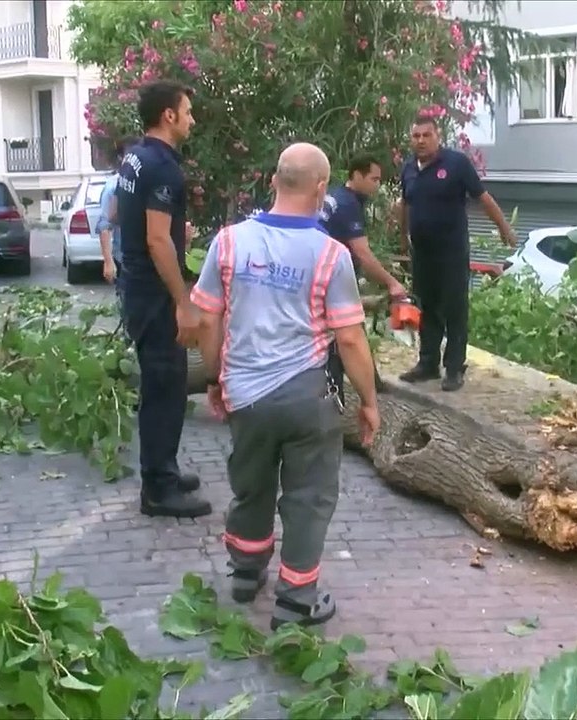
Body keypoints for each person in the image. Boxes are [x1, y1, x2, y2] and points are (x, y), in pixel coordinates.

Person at [191, 142, 381, 630]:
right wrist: (369, 400)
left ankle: (245, 572)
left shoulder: (228, 242)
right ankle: (296, 599)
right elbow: (350, 339)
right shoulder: (331, 254)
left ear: (274, 181)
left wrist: (215, 378)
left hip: (245, 394)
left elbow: (206, 320)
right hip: (306, 397)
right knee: (309, 496)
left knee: (251, 484)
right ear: (321, 189)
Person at [116, 80, 209, 518]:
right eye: (187, 111)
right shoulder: (163, 167)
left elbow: (128, 217)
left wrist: (174, 231)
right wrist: (182, 303)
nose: (192, 119)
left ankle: (163, 470)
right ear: (168, 116)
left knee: (162, 386)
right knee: (165, 389)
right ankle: (158, 489)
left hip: (136, 285)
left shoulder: (135, 157)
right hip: (154, 294)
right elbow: (157, 240)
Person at [395, 116, 516, 392]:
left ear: (437, 136)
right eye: (416, 136)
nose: (421, 141)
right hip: (422, 252)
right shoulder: (409, 169)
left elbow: (483, 197)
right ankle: (428, 364)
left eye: (426, 135)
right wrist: (403, 239)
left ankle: (454, 368)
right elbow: (406, 205)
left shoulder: (456, 164)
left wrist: (504, 228)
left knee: (454, 309)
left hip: (451, 251)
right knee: (427, 307)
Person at [318, 154, 407, 390]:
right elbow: (362, 252)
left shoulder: (336, 196)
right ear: (357, 175)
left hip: (320, 272)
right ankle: (367, 387)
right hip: (332, 277)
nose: (377, 185)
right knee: (350, 331)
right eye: (373, 179)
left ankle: (371, 382)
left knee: (344, 332)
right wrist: (392, 283)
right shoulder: (348, 204)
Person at [94, 137, 138, 301]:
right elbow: (104, 225)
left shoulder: (146, 182)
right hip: (125, 259)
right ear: (121, 158)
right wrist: (108, 261)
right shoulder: (113, 186)